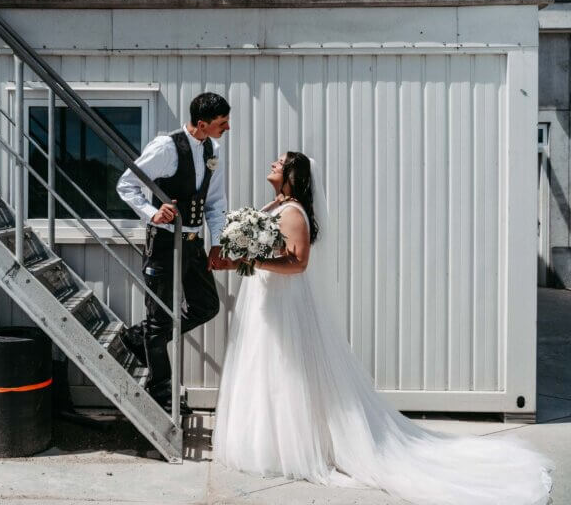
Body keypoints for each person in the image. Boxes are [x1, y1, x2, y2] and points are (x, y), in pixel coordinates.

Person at [212, 151, 553, 505]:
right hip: (268, 302)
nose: (273, 164)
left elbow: (297, 264)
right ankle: (269, 442)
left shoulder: (294, 212)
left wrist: (251, 259)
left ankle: (295, 447)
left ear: (294, 175)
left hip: (285, 305)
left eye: (281, 163)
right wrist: (241, 254)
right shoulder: (274, 207)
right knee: (267, 371)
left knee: (287, 373)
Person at [116, 92, 231, 414]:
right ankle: (161, 390)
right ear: (202, 123)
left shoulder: (213, 149)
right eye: (222, 123)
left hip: (194, 244)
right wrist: (152, 212)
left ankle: (138, 338)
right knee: (159, 317)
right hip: (165, 243)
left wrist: (218, 242)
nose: (228, 127)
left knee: (206, 306)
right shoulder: (166, 147)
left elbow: (215, 202)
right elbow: (127, 184)